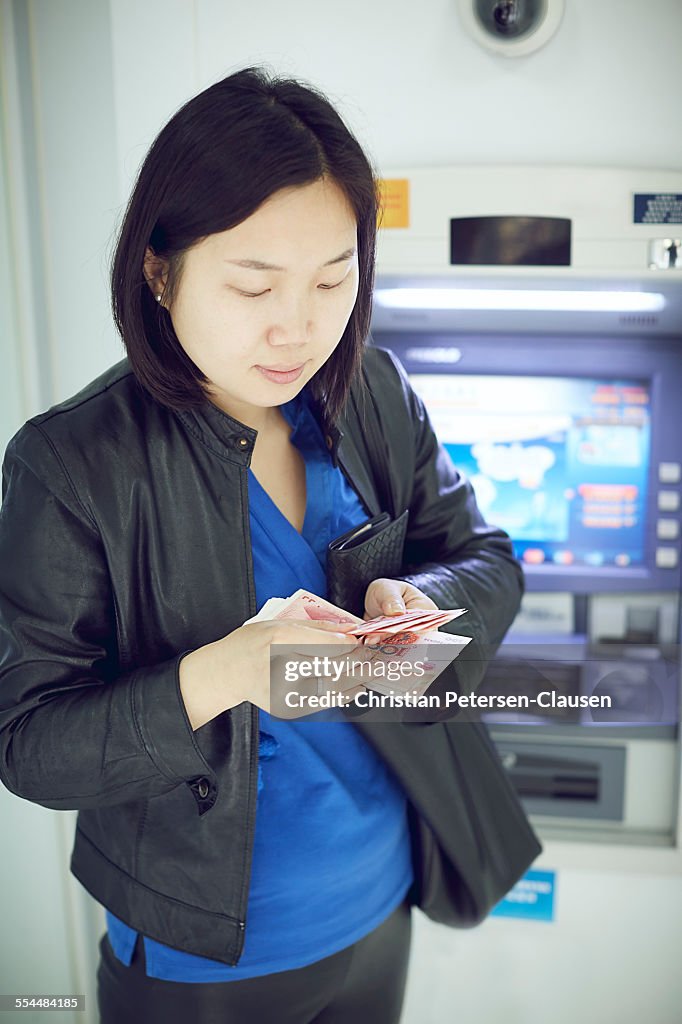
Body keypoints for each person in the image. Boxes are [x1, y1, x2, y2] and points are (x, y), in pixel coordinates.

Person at [0, 67, 524, 1023]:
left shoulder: (373, 395)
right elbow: (31, 745)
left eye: (333, 278)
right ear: (158, 271)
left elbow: (487, 557)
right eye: (254, 286)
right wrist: (226, 670)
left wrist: (422, 603)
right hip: (204, 956)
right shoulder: (71, 463)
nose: (301, 327)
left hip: (380, 900)